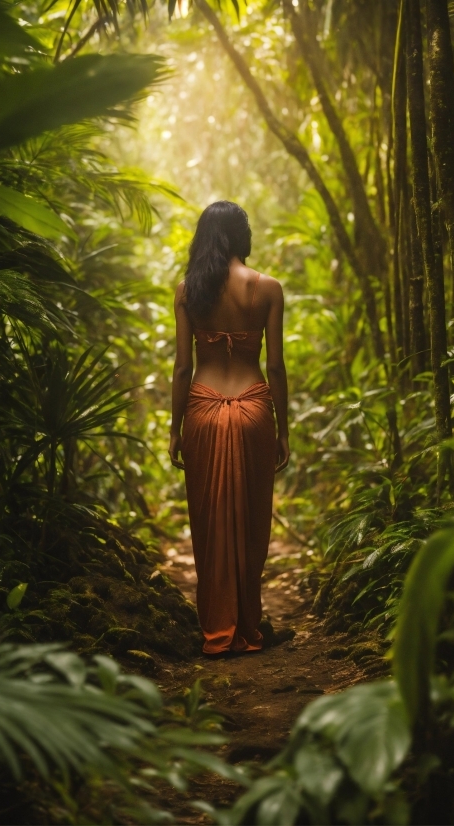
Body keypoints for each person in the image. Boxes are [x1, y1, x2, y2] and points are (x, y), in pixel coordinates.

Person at [168, 201, 289, 655]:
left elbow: (183, 368)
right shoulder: (269, 289)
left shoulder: (187, 291)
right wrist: (283, 429)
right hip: (256, 407)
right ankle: (248, 626)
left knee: (207, 520)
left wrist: (174, 427)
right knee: (254, 521)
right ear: (242, 236)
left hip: (201, 408)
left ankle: (217, 628)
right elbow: (275, 367)